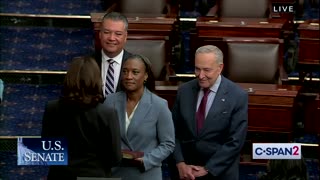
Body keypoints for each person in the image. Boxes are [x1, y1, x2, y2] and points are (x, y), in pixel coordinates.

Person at [171, 45, 248, 180]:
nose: (201, 76)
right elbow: (172, 131)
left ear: (220, 68)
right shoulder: (184, 91)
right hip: (186, 172)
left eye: (207, 70)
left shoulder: (237, 95)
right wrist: (180, 162)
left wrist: (208, 169)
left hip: (219, 172)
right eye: (197, 69)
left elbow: (235, 141)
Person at [41, 56, 121, 179]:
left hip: (60, 176)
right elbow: (115, 158)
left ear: (69, 78)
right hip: (95, 176)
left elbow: (46, 150)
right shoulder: (108, 113)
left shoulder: (52, 108)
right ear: (96, 79)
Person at [104, 54, 175, 180]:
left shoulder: (159, 105)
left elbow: (168, 144)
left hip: (145, 173)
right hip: (116, 173)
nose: (128, 76)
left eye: (135, 72)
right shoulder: (110, 101)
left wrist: (146, 160)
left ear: (145, 76)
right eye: (125, 72)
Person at [95, 12, 132, 96]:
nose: (111, 38)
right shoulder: (86, 64)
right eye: (106, 32)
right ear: (100, 34)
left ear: (125, 37)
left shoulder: (137, 65)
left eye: (118, 34)